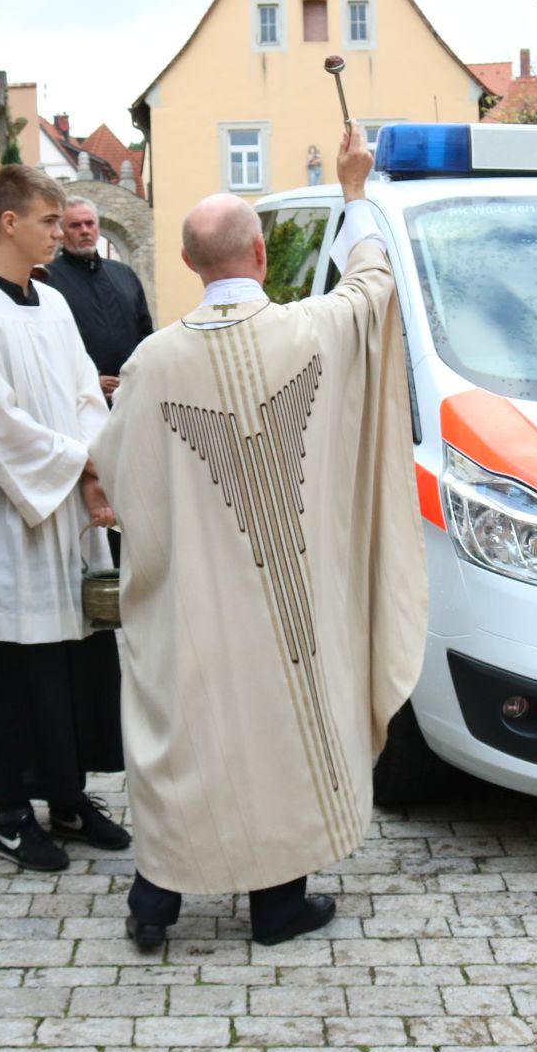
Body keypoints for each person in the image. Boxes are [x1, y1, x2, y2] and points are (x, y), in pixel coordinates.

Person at [91, 125, 427, 949]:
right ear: (261, 258)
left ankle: (154, 906)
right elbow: (374, 285)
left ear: (187, 264)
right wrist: (354, 193)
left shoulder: (153, 363)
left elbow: (114, 481)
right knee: (285, 723)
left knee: (188, 733)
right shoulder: (314, 332)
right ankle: (278, 907)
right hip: (294, 600)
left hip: (195, 601)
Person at [0, 164, 127, 874]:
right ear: (9, 222)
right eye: (49, 220)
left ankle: (68, 795)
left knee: (74, 660)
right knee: (13, 665)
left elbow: (84, 396)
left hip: (66, 507)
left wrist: (98, 468)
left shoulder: (51, 301)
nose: (59, 231)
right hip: (4, 520)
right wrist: (84, 466)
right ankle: (10, 810)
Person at [45, 195, 154, 401]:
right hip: (81, 399)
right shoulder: (47, 280)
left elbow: (145, 333)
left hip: (131, 394)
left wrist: (134, 374)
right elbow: (50, 346)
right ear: (62, 232)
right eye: (75, 225)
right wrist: (89, 380)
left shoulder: (124, 274)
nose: (84, 230)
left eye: (89, 223)